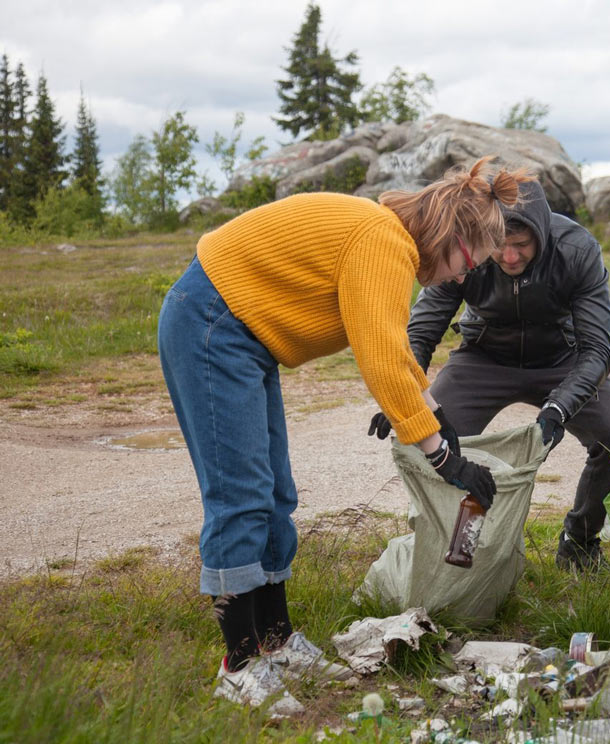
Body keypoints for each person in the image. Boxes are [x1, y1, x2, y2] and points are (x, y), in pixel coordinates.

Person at [158, 157, 530, 715]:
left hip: (242, 336)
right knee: (241, 497)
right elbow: (378, 358)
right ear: (449, 236)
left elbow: (396, 350)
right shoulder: (385, 240)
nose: (460, 276)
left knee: (275, 493)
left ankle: (277, 642)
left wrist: (438, 419)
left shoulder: (384, 237)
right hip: (211, 324)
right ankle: (238, 665)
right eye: (467, 261)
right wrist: (442, 458)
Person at [369, 180, 610, 572]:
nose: (509, 257)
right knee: (430, 439)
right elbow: (421, 333)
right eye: (499, 246)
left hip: (562, 357)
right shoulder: (465, 245)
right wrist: (401, 396)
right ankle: (457, 550)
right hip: (483, 357)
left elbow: (597, 350)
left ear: (541, 234)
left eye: (522, 245)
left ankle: (579, 540)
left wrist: (559, 407)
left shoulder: (577, 249)